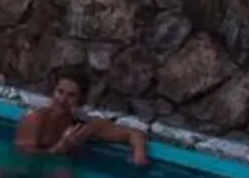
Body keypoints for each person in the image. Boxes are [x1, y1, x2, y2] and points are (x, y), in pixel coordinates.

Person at [10, 69, 152, 170]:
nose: (63, 100)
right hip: (20, 167)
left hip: (53, 166)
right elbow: (24, 157)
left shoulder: (82, 125)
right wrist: (59, 148)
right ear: (53, 92)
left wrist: (139, 154)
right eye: (60, 92)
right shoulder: (36, 119)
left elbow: (133, 134)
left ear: (81, 100)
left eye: (71, 95)